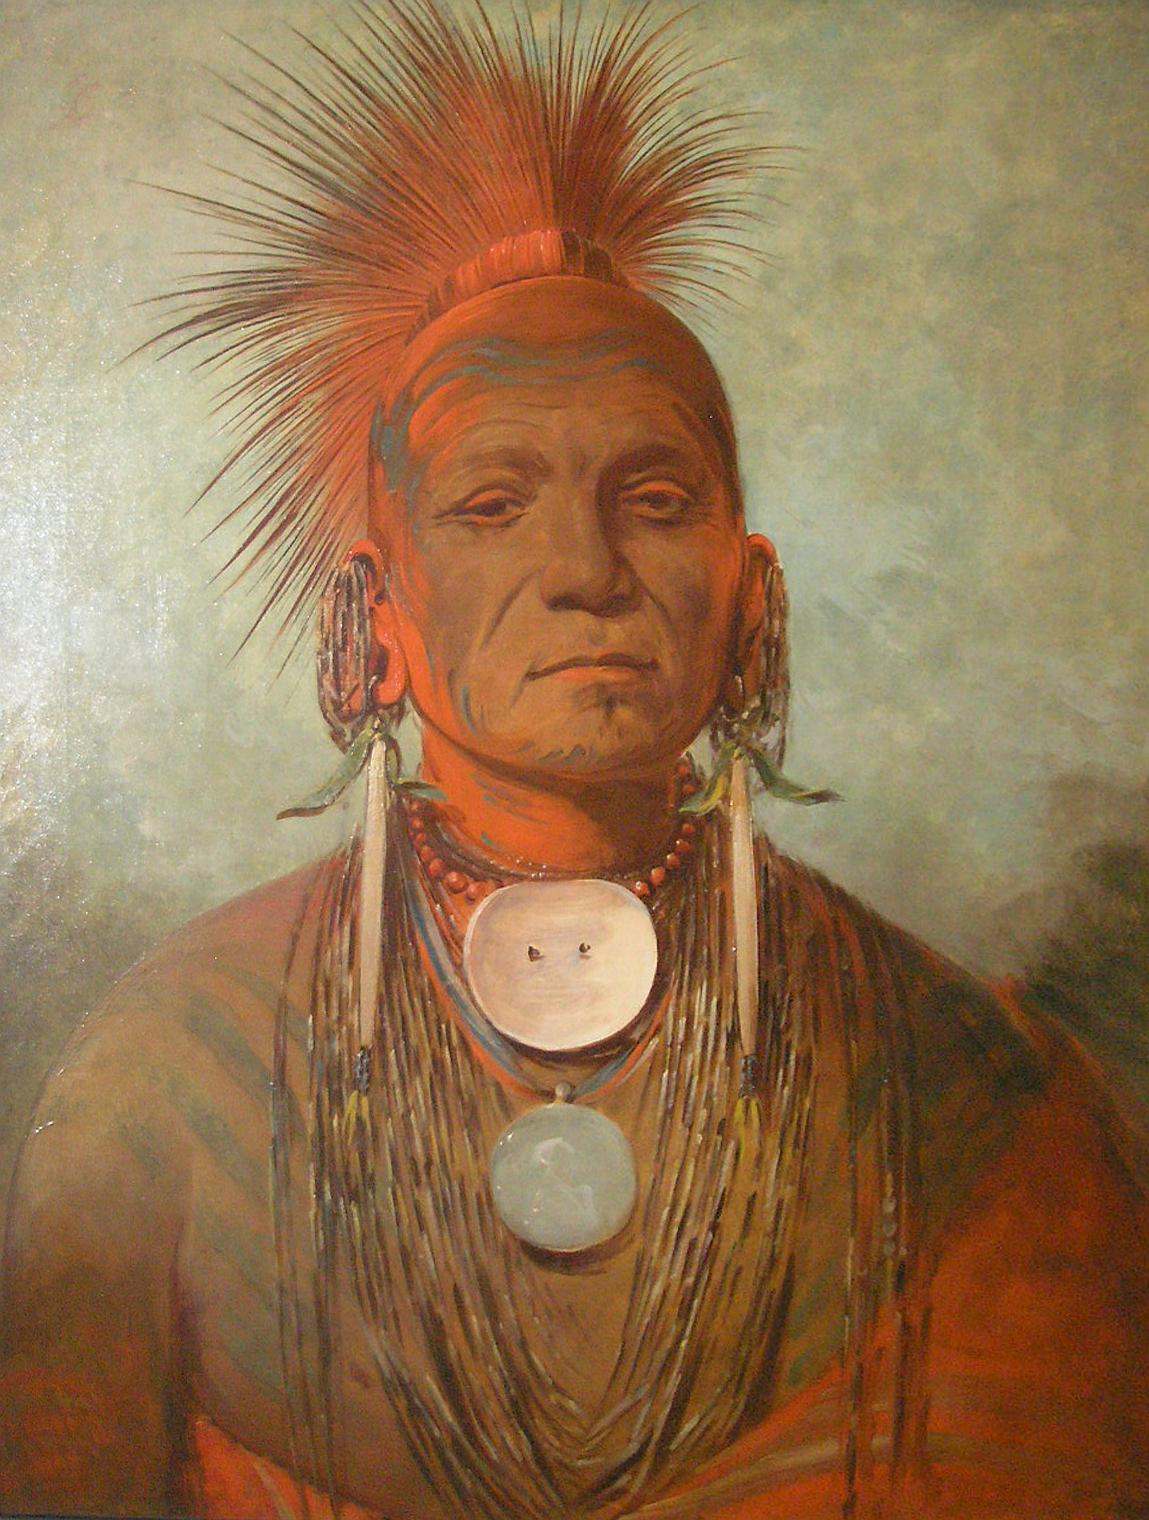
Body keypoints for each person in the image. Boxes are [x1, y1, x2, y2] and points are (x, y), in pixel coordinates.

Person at [3, 4, 1148, 1518]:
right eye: (492, 504)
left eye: (654, 495)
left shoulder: (969, 1093)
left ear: (751, 596)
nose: (586, 573)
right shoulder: (167, 1082)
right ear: (374, 619)